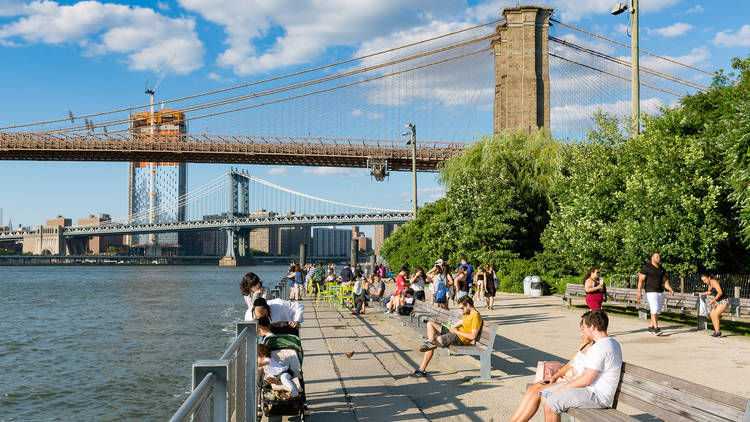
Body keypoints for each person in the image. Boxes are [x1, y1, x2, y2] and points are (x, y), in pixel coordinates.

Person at [540, 310, 622, 422]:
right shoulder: (612, 342)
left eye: (584, 327)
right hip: (590, 391)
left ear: (592, 327)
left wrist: (561, 389)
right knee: (545, 395)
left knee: (552, 402)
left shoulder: (599, 348)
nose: (582, 331)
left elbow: (586, 380)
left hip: (597, 396)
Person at [509, 314, 594, 422]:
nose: (581, 334)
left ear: (591, 329)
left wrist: (571, 379)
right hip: (564, 378)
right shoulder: (583, 345)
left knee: (537, 392)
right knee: (531, 389)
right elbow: (568, 365)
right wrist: (554, 377)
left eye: (583, 331)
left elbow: (588, 375)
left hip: (573, 383)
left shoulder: (595, 350)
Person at [410, 295, 481, 377]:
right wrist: (451, 326)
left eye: (462, 308)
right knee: (431, 323)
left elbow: (473, 336)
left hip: (460, 338)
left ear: (468, 305)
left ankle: (422, 370)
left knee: (435, 341)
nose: (461, 310)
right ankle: (430, 342)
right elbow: (458, 323)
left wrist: (456, 331)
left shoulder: (475, 316)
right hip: (455, 333)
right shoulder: (468, 314)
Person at [637, 252, 674, 335]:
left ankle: (651, 327)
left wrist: (670, 288)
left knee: (657, 310)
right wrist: (639, 291)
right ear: (652, 257)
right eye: (657, 257)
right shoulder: (646, 267)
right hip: (650, 291)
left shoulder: (661, 268)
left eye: (659, 257)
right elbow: (641, 280)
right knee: (654, 308)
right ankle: (656, 328)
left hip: (660, 291)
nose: (659, 259)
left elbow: (664, 281)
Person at [699, 273, 730, 337]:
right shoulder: (709, 284)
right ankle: (716, 331)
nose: (704, 282)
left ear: (709, 278)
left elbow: (720, 292)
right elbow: (710, 292)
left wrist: (712, 301)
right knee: (712, 314)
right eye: (703, 281)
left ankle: (717, 332)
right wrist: (700, 293)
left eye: (705, 280)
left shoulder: (714, 282)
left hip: (724, 300)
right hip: (718, 301)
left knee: (715, 314)